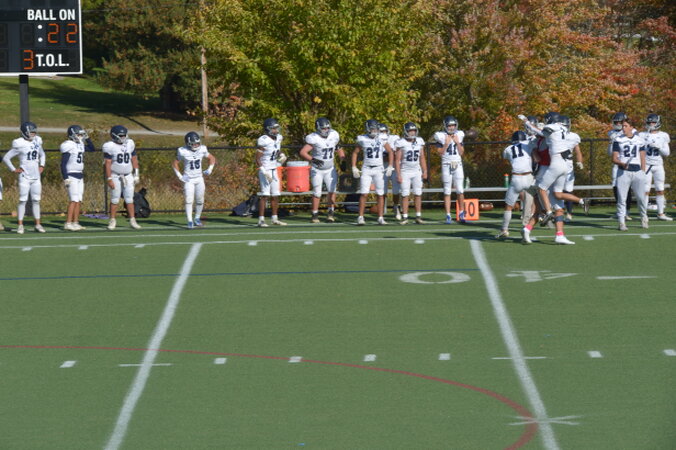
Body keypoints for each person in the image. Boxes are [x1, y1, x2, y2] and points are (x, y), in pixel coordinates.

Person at [520, 112, 576, 244]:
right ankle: (530, 228)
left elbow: (541, 134)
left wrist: (528, 123)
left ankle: (558, 234)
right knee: (542, 208)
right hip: (546, 173)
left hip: (553, 172)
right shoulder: (544, 137)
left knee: (557, 206)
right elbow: (540, 137)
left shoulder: (549, 134)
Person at [299, 117, 346, 223]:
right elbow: (303, 152)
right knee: (317, 192)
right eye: (324, 128)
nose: (326, 130)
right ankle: (315, 214)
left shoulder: (333, 135)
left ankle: (330, 213)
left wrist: (342, 160)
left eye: (327, 128)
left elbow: (339, 148)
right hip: (317, 170)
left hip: (330, 169)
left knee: (332, 190)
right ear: (318, 128)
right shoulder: (314, 138)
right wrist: (313, 160)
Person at [2, 121, 46, 234]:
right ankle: (20, 225)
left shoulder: (37, 140)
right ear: (25, 132)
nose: (33, 134)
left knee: (36, 200)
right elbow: (6, 157)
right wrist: (13, 169)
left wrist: (42, 165)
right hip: (24, 176)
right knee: (22, 200)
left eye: (34, 132)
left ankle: (38, 224)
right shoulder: (19, 143)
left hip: (36, 176)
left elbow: (42, 154)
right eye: (31, 132)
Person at [351, 119, 393, 225]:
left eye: (376, 129)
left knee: (380, 194)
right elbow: (355, 153)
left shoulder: (382, 138)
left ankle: (380, 217)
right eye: (372, 129)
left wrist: (390, 165)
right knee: (364, 193)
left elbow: (390, 151)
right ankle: (360, 217)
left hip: (379, 169)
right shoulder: (362, 139)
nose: (374, 131)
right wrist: (354, 167)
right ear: (368, 129)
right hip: (367, 169)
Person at [497, 131, 537, 238]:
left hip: (516, 178)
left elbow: (505, 156)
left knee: (508, 206)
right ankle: (527, 227)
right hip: (528, 177)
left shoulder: (508, 149)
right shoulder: (528, 144)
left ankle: (504, 229)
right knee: (535, 202)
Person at [173, 131, 217, 229]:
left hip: (199, 178)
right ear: (188, 143)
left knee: (200, 200)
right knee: (189, 200)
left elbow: (212, 158)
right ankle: (189, 221)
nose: (196, 145)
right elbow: (175, 163)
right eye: (194, 143)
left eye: (197, 143)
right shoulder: (182, 151)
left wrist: (210, 169)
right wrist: (180, 176)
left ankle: (197, 218)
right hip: (189, 179)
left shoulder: (202, 149)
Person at [612, 117, 648, 230]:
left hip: (637, 172)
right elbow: (614, 158)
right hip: (623, 172)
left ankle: (644, 217)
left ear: (631, 127)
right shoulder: (618, 139)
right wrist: (621, 163)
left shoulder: (639, 140)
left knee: (641, 198)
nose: (623, 128)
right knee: (621, 199)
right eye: (623, 126)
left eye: (626, 126)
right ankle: (621, 222)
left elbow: (643, 157)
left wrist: (643, 171)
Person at [103, 125, 142, 230]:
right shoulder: (110, 146)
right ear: (114, 135)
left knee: (129, 199)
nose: (123, 137)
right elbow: (107, 163)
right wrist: (109, 178)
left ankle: (132, 220)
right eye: (121, 135)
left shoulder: (130, 143)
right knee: (115, 199)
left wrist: (136, 173)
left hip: (128, 175)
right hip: (115, 175)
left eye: (124, 135)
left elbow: (134, 158)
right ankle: (112, 220)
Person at [431, 116, 466, 224]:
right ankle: (448, 215)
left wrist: (457, 142)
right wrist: (446, 144)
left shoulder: (459, 135)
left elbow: (461, 152)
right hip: (446, 164)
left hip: (457, 164)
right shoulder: (441, 136)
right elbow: (440, 153)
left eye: (453, 125)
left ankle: (461, 213)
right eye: (449, 125)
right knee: (447, 190)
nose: (451, 127)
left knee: (460, 190)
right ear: (445, 126)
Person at [60, 125, 95, 231]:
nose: (80, 136)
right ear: (72, 135)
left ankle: (75, 222)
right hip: (71, 175)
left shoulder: (79, 144)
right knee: (73, 200)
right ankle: (68, 223)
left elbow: (92, 149)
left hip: (80, 175)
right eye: (78, 134)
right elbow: (63, 163)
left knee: (79, 200)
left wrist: (87, 138)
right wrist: (65, 177)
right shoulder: (68, 145)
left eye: (81, 134)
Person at [639, 114, 671, 221]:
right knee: (645, 189)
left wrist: (659, 147)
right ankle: (644, 214)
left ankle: (661, 213)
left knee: (660, 189)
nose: (651, 124)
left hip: (658, 165)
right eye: (649, 122)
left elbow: (667, 153)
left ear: (658, 123)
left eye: (653, 122)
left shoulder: (663, 135)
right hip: (647, 165)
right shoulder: (642, 135)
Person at [256, 118, 287, 227]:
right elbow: (257, 159)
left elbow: (276, 151)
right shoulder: (263, 140)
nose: (276, 130)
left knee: (275, 195)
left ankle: (274, 219)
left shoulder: (278, 138)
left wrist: (281, 154)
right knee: (265, 195)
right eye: (273, 128)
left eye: (276, 128)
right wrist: (264, 172)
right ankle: (261, 220)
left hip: (274, 169)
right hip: (265, 170)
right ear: (268, 129)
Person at [394, 122, 427, 224]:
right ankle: (405, 217)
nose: (412, 133)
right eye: (410, 131)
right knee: (405, 194)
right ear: (406, 132)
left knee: (418, 193)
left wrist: (425, 170)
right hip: (405, 171)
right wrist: (398, 174)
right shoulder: (401, 142)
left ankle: (418, 216)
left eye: (413, 130)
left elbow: (422, 157)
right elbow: (397, 160)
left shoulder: (419, 141)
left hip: (417, 171)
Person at [609, 112, 633, 220]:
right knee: (615, 186)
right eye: (616, 122)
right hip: (616, 162)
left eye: (620, 122)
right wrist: (611, 142)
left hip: (628, 162)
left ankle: (627, 211)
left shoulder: (632, 132)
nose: (618, 124)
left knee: (628, 186)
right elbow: (610, 152)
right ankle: (620, 210)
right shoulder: (612, 133)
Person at [560, 115, 585, 221]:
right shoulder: (554, 135)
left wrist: (579, 161)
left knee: (568, 189)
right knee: (557, 190)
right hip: (556, 163)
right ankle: (558, 212)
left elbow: (577, 151)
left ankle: (569, 213)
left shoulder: (574, 136)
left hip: (568, 164)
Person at [379, 123, 402, 220]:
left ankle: (396, 206)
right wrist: (390, 154)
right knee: (382, 190)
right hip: (382, 166)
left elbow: (396, 154)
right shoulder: (376, 139)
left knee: (396, 190)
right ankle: (381, 212)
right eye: (381, 131)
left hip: (394, 166)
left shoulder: (394, 138)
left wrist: (389, 155)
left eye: (384, 131)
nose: (382, 133)